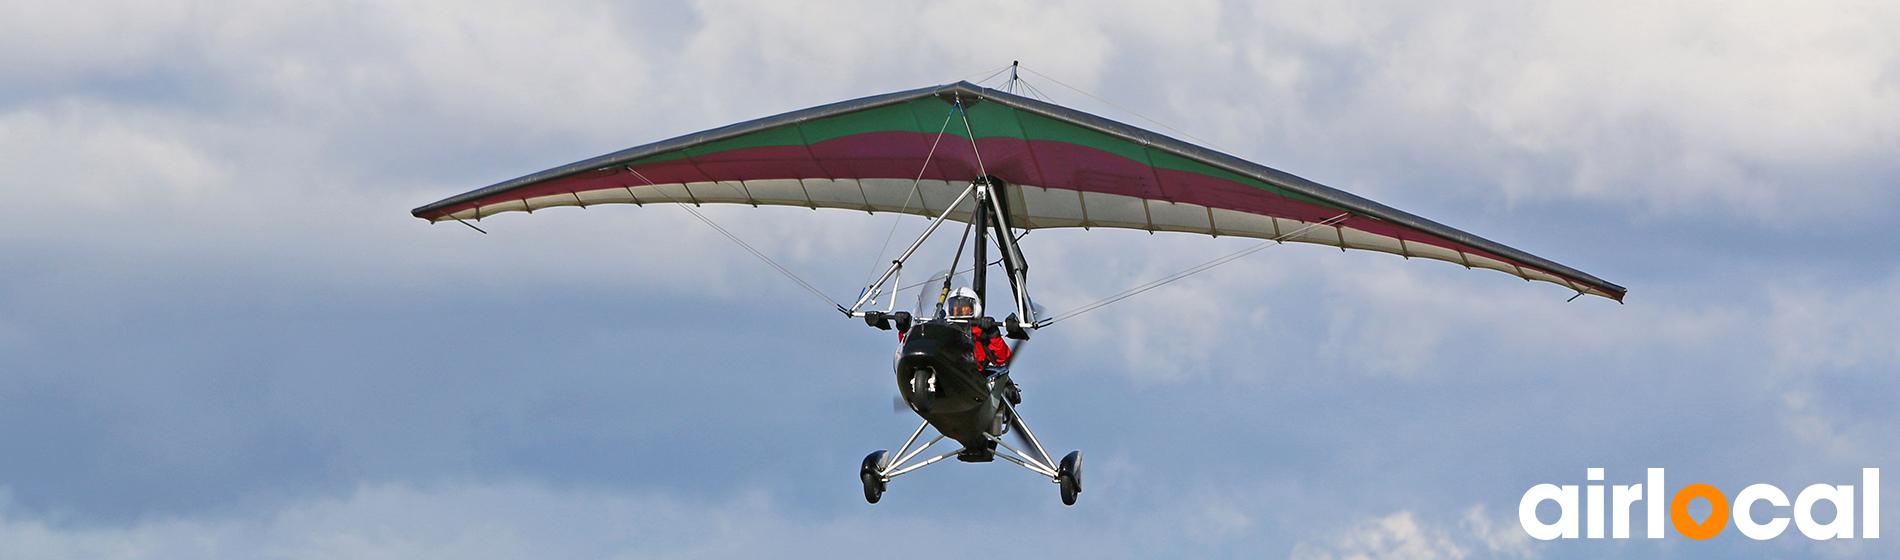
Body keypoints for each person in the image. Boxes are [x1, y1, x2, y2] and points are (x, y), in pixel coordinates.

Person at [946, 288, 1011, 368]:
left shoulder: (980, 331)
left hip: (973, 375)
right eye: (955, 305)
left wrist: (993, 333)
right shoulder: (945, 329)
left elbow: (1002, 358)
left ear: (974, 307)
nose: (958, 308)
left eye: (964, 304)